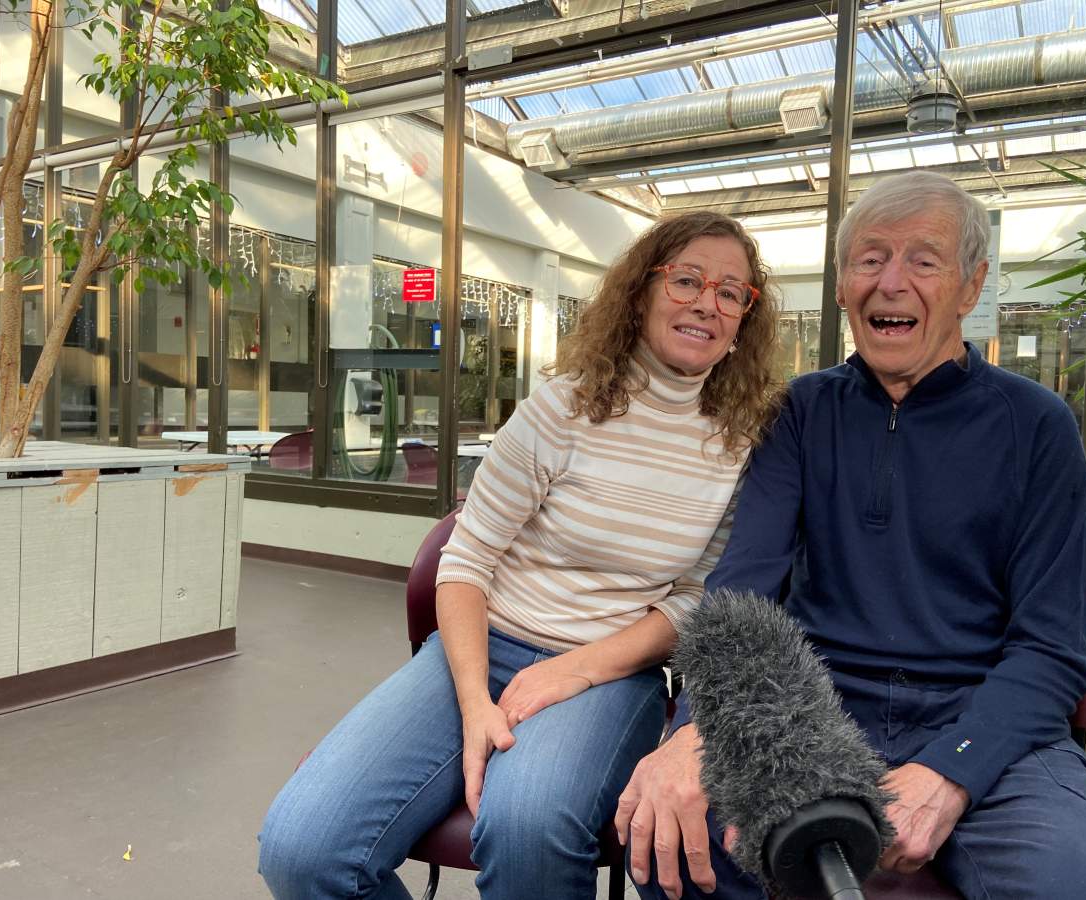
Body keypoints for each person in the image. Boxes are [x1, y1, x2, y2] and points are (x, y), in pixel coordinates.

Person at [616, 172, 1086, 900]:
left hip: (985, 716)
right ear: (841, 287)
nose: (891, 282)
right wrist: (695, 730)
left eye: (923, 261)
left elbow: (1053, 650)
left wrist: (950, 771)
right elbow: (741, 590)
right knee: (680, 848)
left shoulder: (1038, 426)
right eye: (869, 259)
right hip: (811, 707)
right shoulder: (801, 411)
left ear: (971, 288)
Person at [257, 211, 781, 900]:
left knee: (527, 831)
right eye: (686, 279)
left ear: (745, 317)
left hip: (609, 673)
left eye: (730, 292)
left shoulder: (744, 444)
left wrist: (577, 669)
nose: (706, 303)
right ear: (643, 291)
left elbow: (694, 599)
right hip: (480, 649)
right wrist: (476, 703)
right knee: (302, 849)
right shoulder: (560, 409)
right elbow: (467, 559)